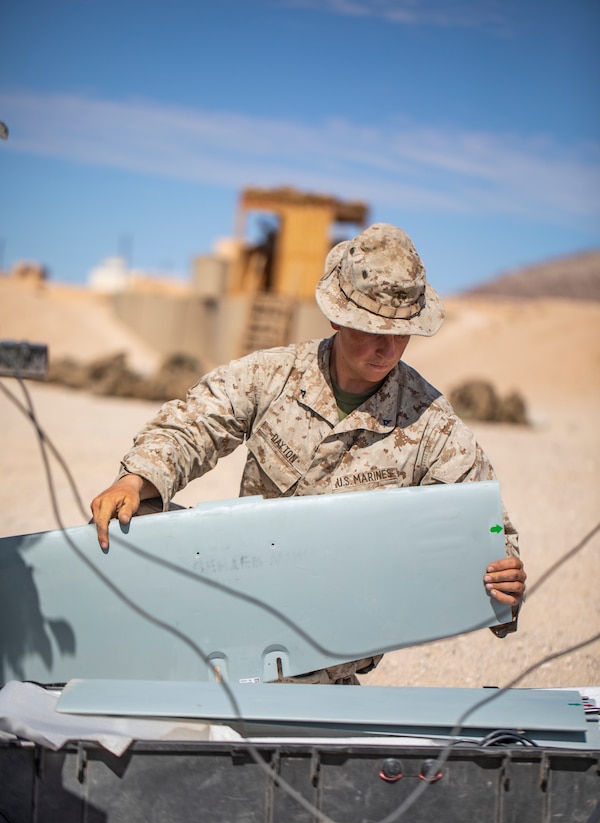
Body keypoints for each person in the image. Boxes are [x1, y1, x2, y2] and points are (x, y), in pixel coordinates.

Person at [91, 223, 527, 683]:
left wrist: (506, 582)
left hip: (323, 653)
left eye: (403, 332)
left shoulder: (431, 424)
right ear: (337, 316)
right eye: (373, 328)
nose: (388, 346)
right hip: (233, 597)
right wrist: (135, 478)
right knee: (131, 521)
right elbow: (195, 422)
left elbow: (485, 530)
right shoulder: (274, 374)